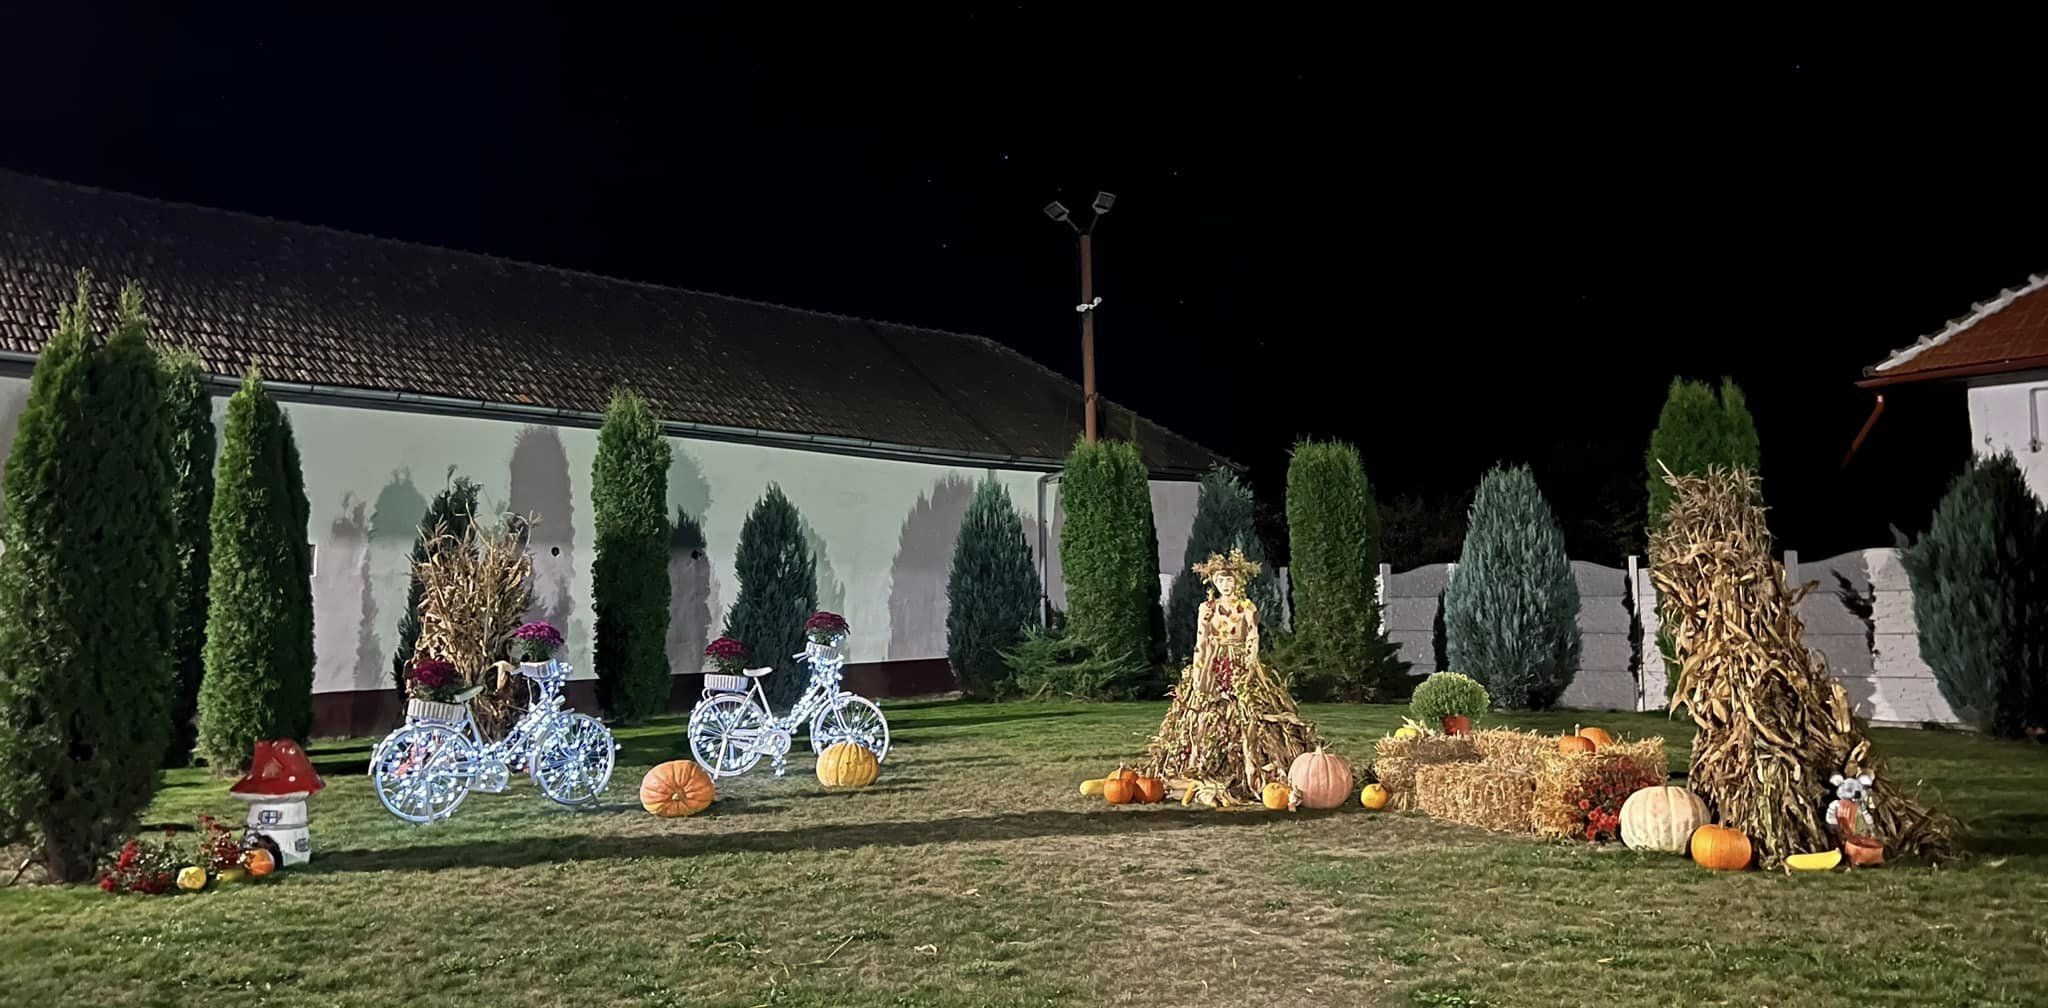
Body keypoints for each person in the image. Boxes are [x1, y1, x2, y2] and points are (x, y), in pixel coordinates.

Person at [1145, 548, 1318, 805]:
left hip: (1239, 663)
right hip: (1213, 663)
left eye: (1230, 580)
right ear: (1214, 582)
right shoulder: (1207, 608)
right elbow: (1201, 640)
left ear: (1239, 581)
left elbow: (1253, 637)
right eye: (1220, 580)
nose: (1225, 585)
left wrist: (1250, 664)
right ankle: (1198, 765)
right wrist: (1199, 669)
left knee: (1248, 710)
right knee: (1204, 715)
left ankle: (1255, 767)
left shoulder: (1247, 607)